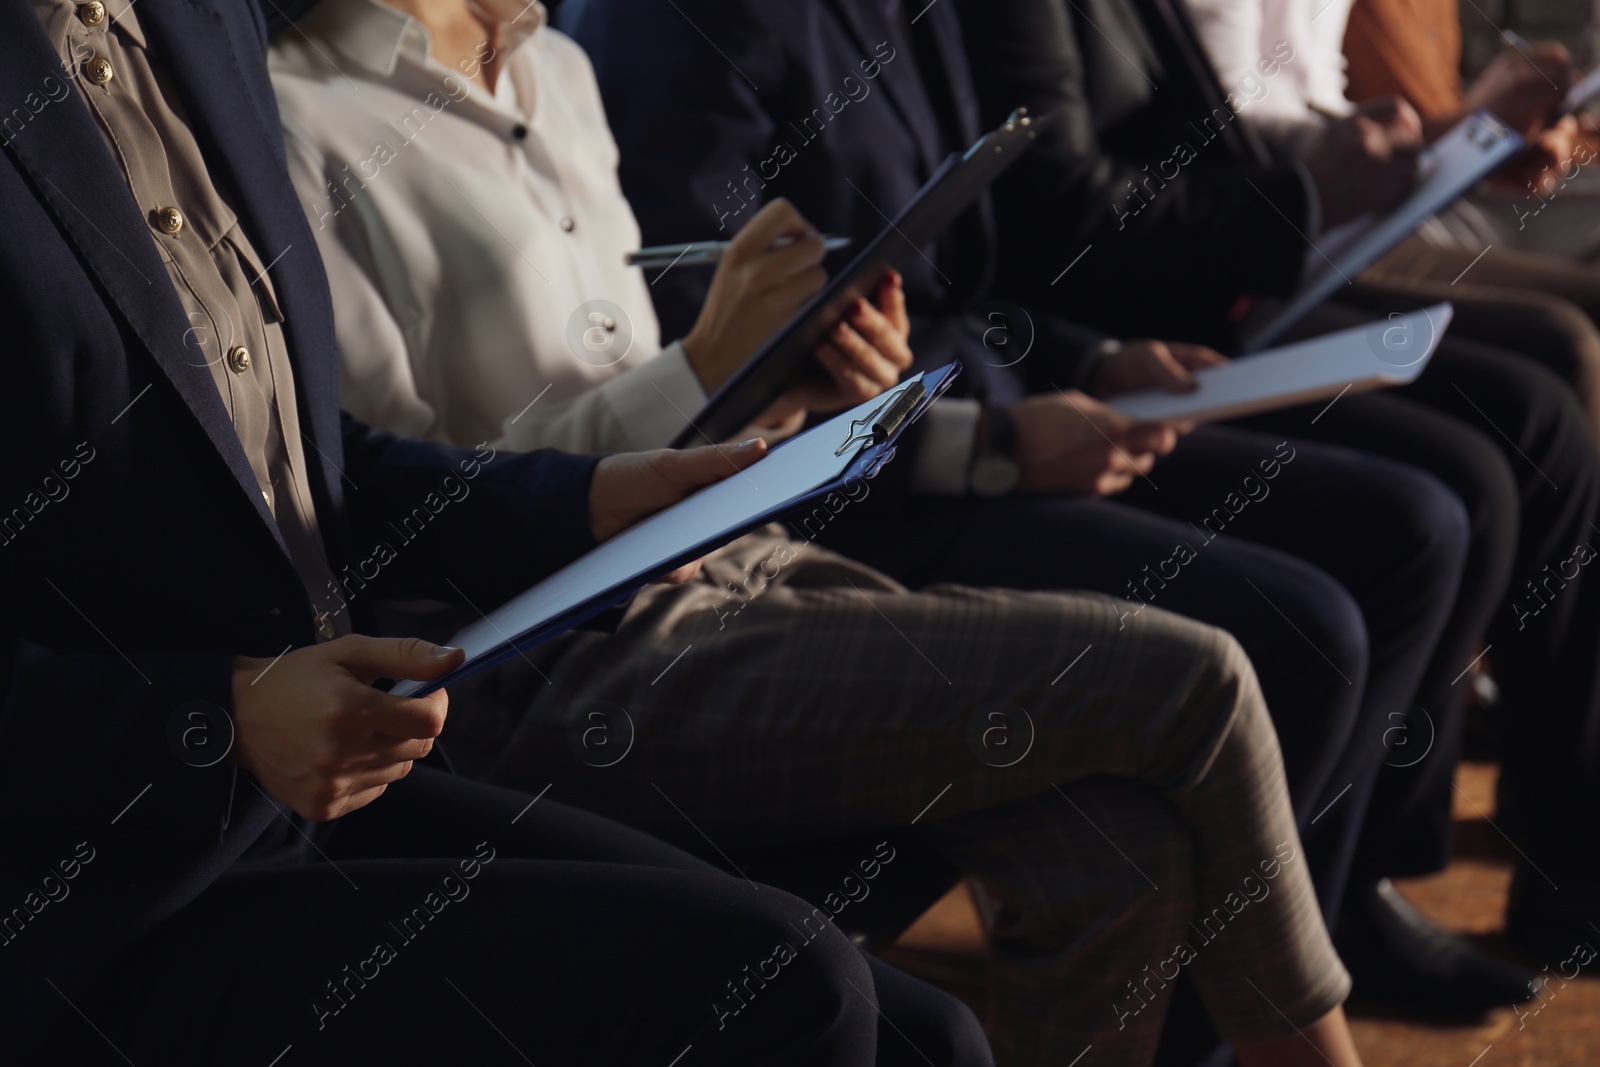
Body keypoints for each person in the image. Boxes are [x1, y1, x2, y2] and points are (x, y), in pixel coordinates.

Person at [269, 1, 1386, 1063]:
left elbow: (642, 393)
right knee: (1200, 674)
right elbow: (398, 513)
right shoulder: (295, 112)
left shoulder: (555, 63)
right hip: (539, 660)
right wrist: (711, 363)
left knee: (1115, 849)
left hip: (724, 557)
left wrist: (781, 375)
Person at [0, 1, 996, 1064]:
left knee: (927, 1034)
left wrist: (579, 502)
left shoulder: (198, 24)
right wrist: (214, 715)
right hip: (88, 881)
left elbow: (294, 455)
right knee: (793, 985)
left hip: (296, 796)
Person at [946, 0, 1600, 1014]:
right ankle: (1316, 909)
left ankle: (1502, 849)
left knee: (1529, 411)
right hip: (1120, 338)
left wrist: (1416, 147)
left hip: (1227, 280)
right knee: (1447, 492)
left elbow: (1233, 135)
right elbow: (1059, 220)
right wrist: (1375, 160)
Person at [1188, 0, 1600, 428]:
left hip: (1358, 215)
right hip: (1277, 234)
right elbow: (1221, 127)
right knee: (1561, 344)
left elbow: (1318, 97)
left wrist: (1474, 131)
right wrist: (1453, 127)